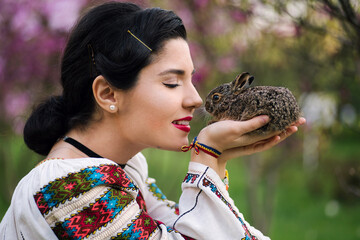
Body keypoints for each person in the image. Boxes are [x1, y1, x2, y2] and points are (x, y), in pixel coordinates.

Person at [0, 2, 305, 239]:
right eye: (172, 82)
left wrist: (217, 159)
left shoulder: (124, 168)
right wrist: (207, 156)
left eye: (192, 80)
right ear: (108, 94)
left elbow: (184, 225)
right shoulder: (72, 190)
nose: (196, 99)